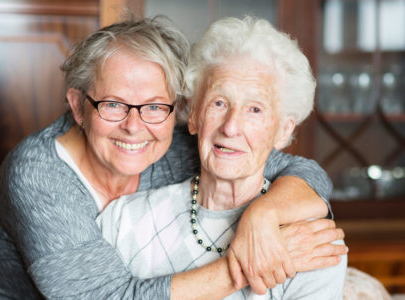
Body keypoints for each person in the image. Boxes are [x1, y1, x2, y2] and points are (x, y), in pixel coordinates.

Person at [0, 16, 342, 299]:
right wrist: (252, 262)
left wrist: (263, 217)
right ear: (77, 106)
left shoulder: (172, 143)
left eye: (153, 106)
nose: (134, 126)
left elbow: (299, 170)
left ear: (178, 110)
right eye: (112, 104)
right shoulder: (39, 176)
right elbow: (106, 298)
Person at [97, 16, 347, 299]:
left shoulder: (309, 243)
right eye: (219, 103)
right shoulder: (124, 220)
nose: (230, 127)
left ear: (283, 130)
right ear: (192, 115)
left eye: (255, 109)